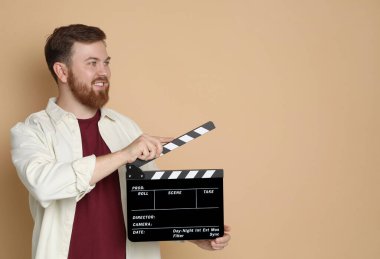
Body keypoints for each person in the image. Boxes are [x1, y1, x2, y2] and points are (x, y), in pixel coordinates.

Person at [10, 24, 231, 259]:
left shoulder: (126, 127)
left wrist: (194, 235)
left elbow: (149, 204)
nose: (103, 72)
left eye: (106, 62)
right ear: (62, 72)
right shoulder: (32, 130)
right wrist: (123, 155)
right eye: (92, 63)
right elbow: (44, 185)